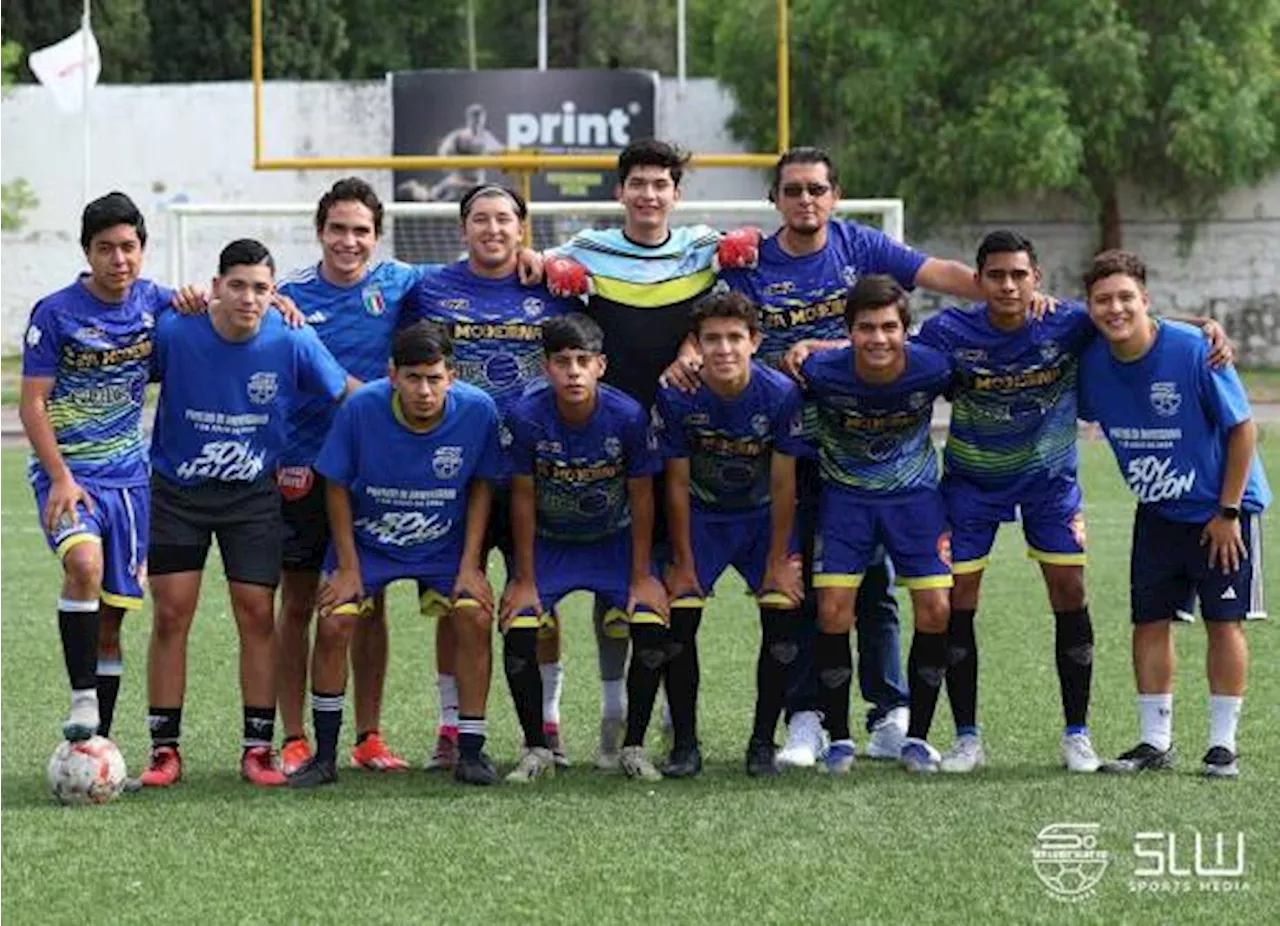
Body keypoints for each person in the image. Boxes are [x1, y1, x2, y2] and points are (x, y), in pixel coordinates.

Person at [705, 146, 997, 768]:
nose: (805, 200)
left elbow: (936, 271)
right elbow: (714, 319)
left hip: (864, 448)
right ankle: (807, 716)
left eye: (816, 189)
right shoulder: (747, 260)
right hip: (788, 443)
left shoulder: (859, 246)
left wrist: (1004, 293)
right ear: (774, 200)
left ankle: (889, 711)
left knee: (879, 585)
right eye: (793, 190)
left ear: (834, 195)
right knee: (811, 584)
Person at [917, 230, 1234, 774]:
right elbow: (889, 350)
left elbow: (1130, 315)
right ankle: (967, 738)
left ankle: (1076, 734)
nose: (1009, 285)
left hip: (1049, 483)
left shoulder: (1067, 321)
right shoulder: (948, 331)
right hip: (972, 483)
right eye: (996, 275)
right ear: (979, 281)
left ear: (1036, 278)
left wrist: (1202, 326)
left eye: (1020, 274)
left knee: (1070, 589)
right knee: (959, 598)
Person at [539, 139, 758, 766]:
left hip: (682, 435)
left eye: (661, 184)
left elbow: (746, 279)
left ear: (676, 193)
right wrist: (538, 260)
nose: (649, 194)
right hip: (609, 436)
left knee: (667, 578)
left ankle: (665, 711)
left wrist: (693, 349)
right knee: (619, 579)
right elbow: (530, 266)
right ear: (620, 192)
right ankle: (615, 709)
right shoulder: (586, 250)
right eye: (637, 183)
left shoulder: (702, 247)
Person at [139, 239, 350, 787]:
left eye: (260, 287)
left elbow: (343, 391)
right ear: (215, 287)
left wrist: (410, 406)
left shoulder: (293, 336)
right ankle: (165, 750)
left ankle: (257, 749)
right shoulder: (176, 331)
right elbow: (124, 374)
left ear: (274, 293)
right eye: (237, 285)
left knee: (257, 612)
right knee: (171, 613)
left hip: (253, 496)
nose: (248, 297)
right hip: (178, 493)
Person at [401, 183, 578, 770]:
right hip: (456, 473)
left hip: (537, 469)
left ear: (522, 229)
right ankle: (451, 728)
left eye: (505, 219)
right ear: (462, 229)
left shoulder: (552, 286)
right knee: (459, 599)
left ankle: (547, 722)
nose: (493, 230)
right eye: (481, 219)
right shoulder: (429, 289)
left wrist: (555, 264)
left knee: (541, 600)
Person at [1078, 250, 1268, 779]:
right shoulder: (1092, 363)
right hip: (1158, 511)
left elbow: (1244, 428)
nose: (1115, 308)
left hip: (1221, 510)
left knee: (1223, 622)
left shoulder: (1192, 350)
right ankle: (1154, 741)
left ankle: (1222, 746)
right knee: (1149, 622)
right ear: (1089, 307)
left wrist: (1228, 511)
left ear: (1146, 301)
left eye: (1125, 298)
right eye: (1103, 300)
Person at [288, 322, 503, 787]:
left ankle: (470, 749)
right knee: (334, 619)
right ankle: (325, 756)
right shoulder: (361, 408)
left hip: (444, 547)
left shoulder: (478, 410)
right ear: (392, 375)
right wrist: (347, 567)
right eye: (412, 378)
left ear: (452, 375)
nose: (424, 390)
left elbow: (483, 485)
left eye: (434, 378)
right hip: (370, 545)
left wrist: (471, 564)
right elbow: (337, 484)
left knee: (474, 615)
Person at [273, 178, 430, 775]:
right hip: (301, 468)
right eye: (338, 228)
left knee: (370, 603)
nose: (349, 240)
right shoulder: (286, 296)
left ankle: (368, 735)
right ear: (320, 232)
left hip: (373, 475)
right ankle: (292, 736)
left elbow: (472, 273)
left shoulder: (400, 284)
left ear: (377, 235)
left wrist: (533, 257)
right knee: (298, 603)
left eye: (361, 230)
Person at [20, 192, 172, 745]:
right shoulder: (56, 312)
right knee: (83, 564)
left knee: (112, 618)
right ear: (88, 252)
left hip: (131, 483)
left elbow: (222, 309)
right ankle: (81, 694)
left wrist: (273, 303)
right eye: (105, 248)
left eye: (128, 247)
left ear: (142, 249)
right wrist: (60, 476)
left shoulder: (157, 302)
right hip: (71, 477)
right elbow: (32, 403)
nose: (119, 260)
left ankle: (96, 745)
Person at [500, 313, 670, 783]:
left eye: (582, 361)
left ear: (601, 366)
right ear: (545, 368)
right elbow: (522, 496)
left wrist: (641, 575)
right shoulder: (526, 416)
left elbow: (641, 496)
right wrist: (525, 579)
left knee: (652, 621)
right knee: (519, 624)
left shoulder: (628, 416)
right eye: (562, 362)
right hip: (551, 544)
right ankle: (537, 747)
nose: (573, 371)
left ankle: (633, 746)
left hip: (611, 543)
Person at [803, 276, 956, 774]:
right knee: (832, 611)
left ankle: (916, 738)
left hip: (915, 500)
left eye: (889, 327)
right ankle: (840, 739)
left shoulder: (933, 367)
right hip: (845, 501)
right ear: (848, 332)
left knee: (935, 609)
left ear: (905, 330)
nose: (878, 338)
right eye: (866, 328)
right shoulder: (822, 371)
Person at [652, 292, 807, 777]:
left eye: (735, 338)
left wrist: (780, 557)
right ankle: (685, 744)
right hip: (701, 517)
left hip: (762, 518)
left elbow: (785, 482)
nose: (723, 349)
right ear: (696, 344)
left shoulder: (780, 393)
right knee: (679, 619)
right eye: (712, 339)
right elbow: (674, 481)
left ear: (754, 342)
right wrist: (682, 557)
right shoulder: (678, 394)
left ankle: (763, 743)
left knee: (782, 615)